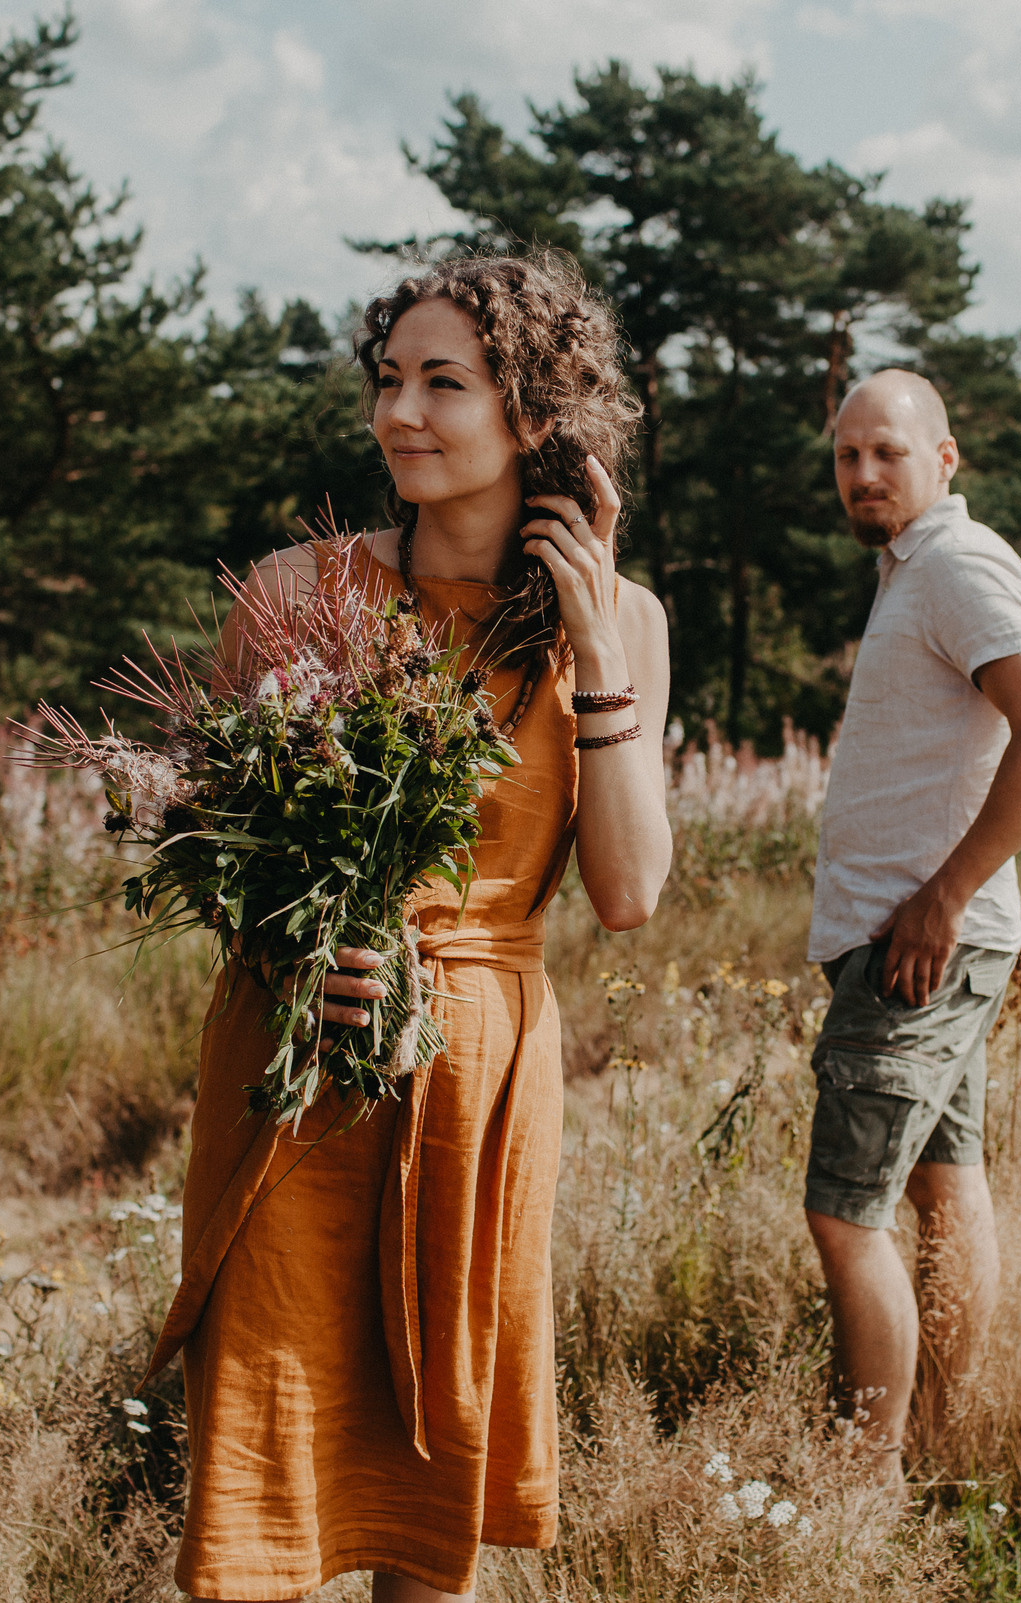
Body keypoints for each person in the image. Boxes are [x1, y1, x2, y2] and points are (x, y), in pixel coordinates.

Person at [143, 252, 674, 1602]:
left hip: (479, 1070)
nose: (402, 413)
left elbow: (627, 891)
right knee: (261, 1476)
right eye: (390, 380)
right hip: (304, 1065)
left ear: (536, 413)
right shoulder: (292, 592)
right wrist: (303, 950)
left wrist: (599, 663)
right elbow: (215, 849)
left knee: (431, 1492)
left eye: (447, 382)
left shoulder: (628, 623)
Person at [803, 369, 1021, 1488]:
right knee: (942, 1186)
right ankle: (942, 1450)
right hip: (923, 941)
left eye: (887, 451)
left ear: (945, 458)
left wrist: (942, 895)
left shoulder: (958, 563)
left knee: (844, 1215)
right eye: (846, 457)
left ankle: (862, 1490)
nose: (864, 474)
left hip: (918, 946)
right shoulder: (910, 574)